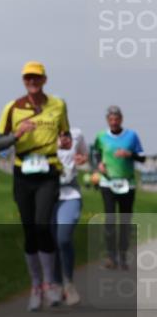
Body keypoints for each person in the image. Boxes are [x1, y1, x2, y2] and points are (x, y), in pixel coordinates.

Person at [0, 61, 71, 311]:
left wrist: (66, 141)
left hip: (48, 171)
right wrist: (16, 135)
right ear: (23, 81)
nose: (32, 82)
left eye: (36, 78)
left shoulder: (58, 105)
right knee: (29, 229)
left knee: (42, 224)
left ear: (44, 80)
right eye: (28, 78)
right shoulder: (12, 107)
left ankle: (50, 283)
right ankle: (36, 285)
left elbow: (65, 134)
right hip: (23, 172)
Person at [93, 105, 146, 270]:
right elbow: (95, 153)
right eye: (111, 119)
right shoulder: (101, 136)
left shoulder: (131, 136)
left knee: (125, 220)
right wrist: (99, 164)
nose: (114, 122)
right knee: (110, 219)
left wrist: (129, 154)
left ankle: (123, 256)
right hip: (108, 182)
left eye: (117, 119)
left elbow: (142, 158)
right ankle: (111, 256)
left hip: (127, 183)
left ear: (121, 119)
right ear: (108, 121)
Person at [53, 127, 88, 305]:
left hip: (70, 194)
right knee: (50, 242)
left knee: (63, 239)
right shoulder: (38, 134)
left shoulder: (76, 134)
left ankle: (68, 283)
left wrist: (82, 159)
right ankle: (56, 285)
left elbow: (84, 154)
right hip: (45, 195)